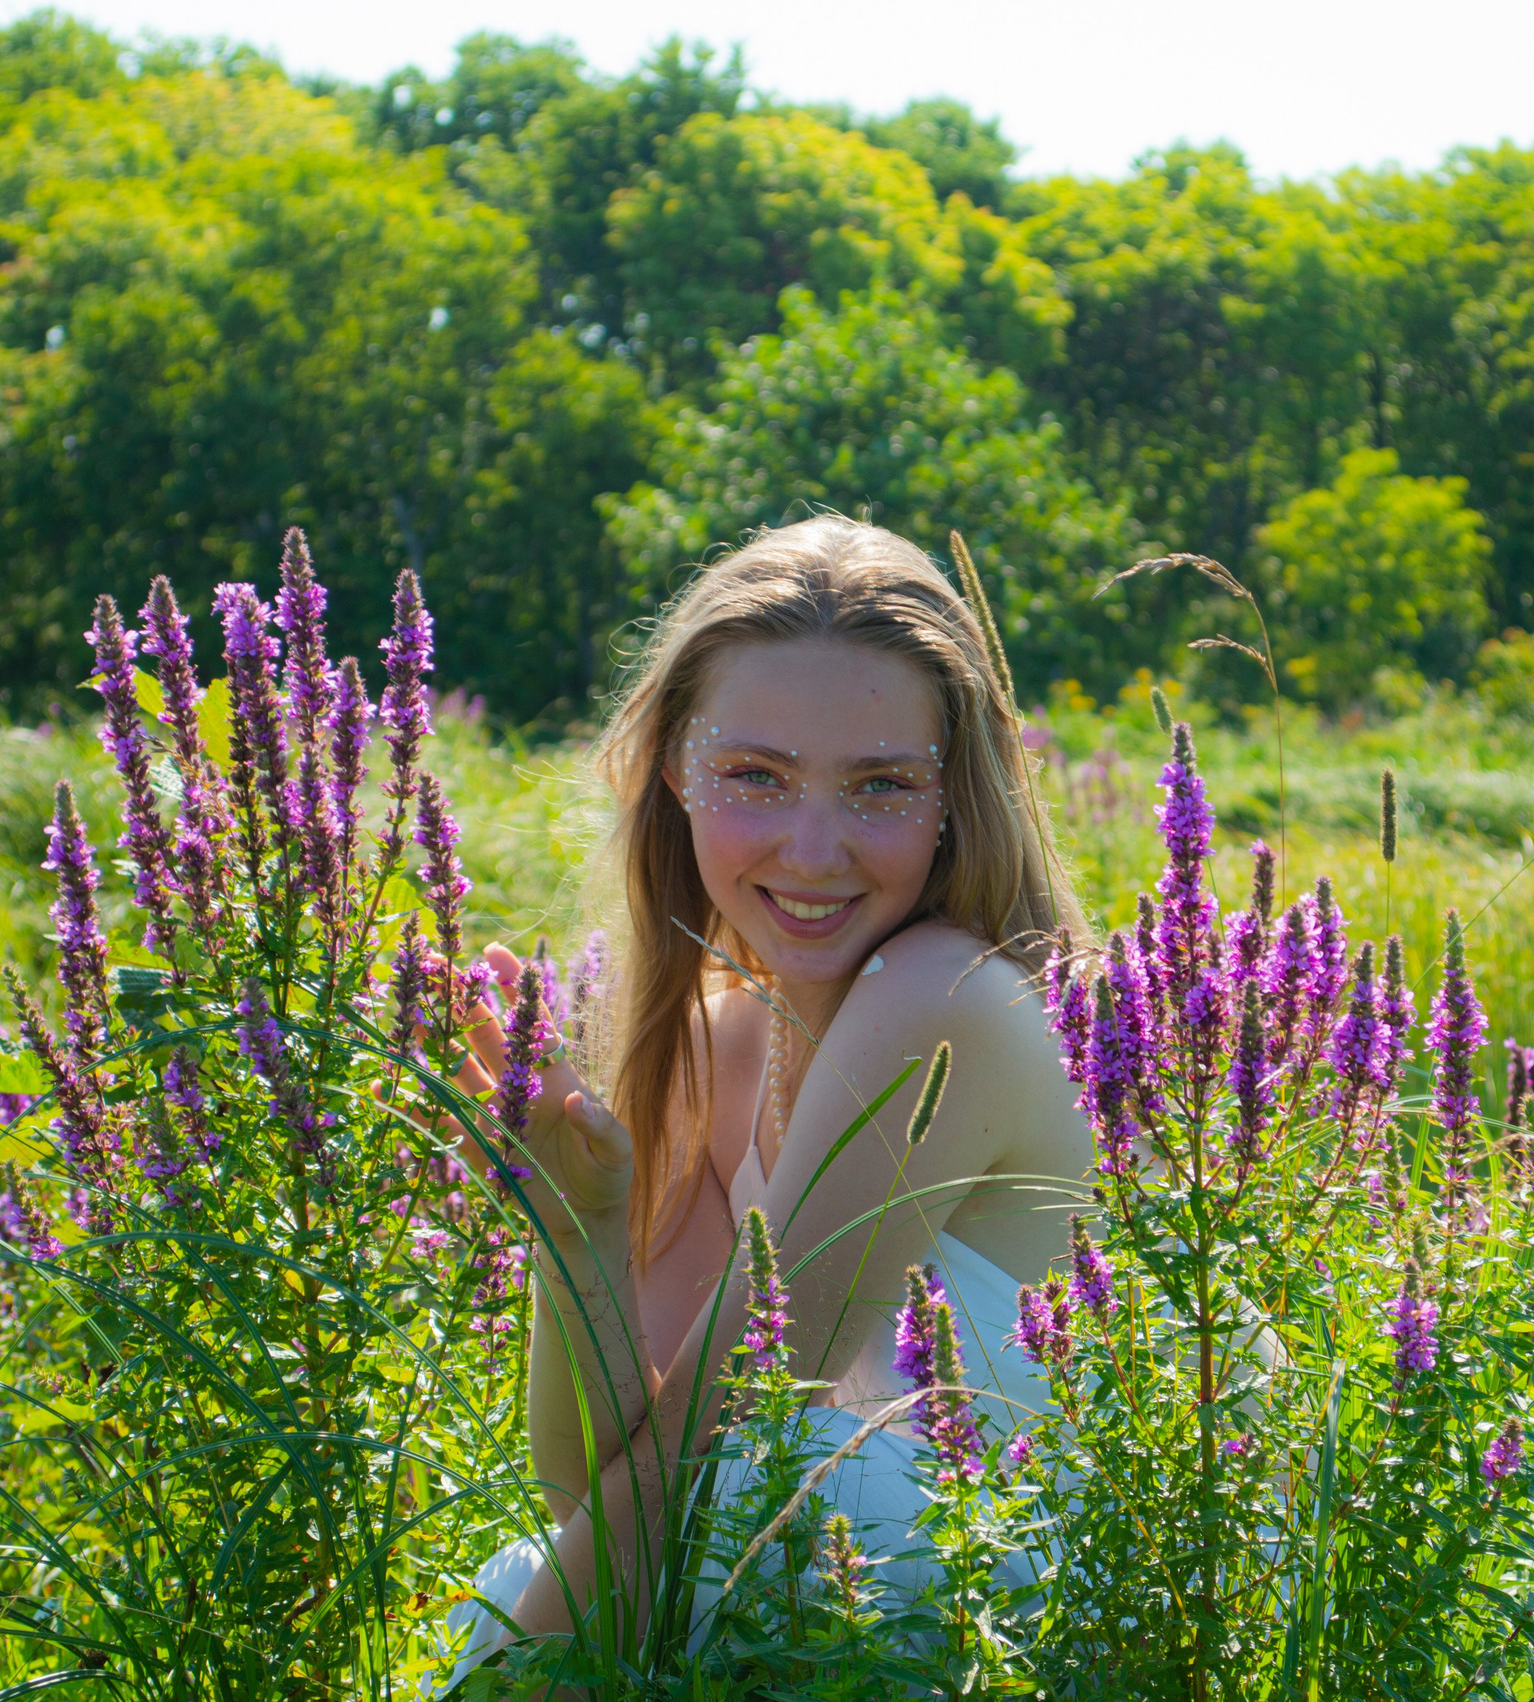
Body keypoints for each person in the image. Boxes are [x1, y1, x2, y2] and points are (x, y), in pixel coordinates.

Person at [441, 516, 1093, 1670]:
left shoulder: (946, 1000)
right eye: (756, 775)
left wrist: (497, 1692)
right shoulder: (710, 1043)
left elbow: (681, 1470)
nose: (811, 847)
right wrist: (577, 1227)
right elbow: (591, 1493)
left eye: (881, 786)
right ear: (670, 776)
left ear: (957, 801)